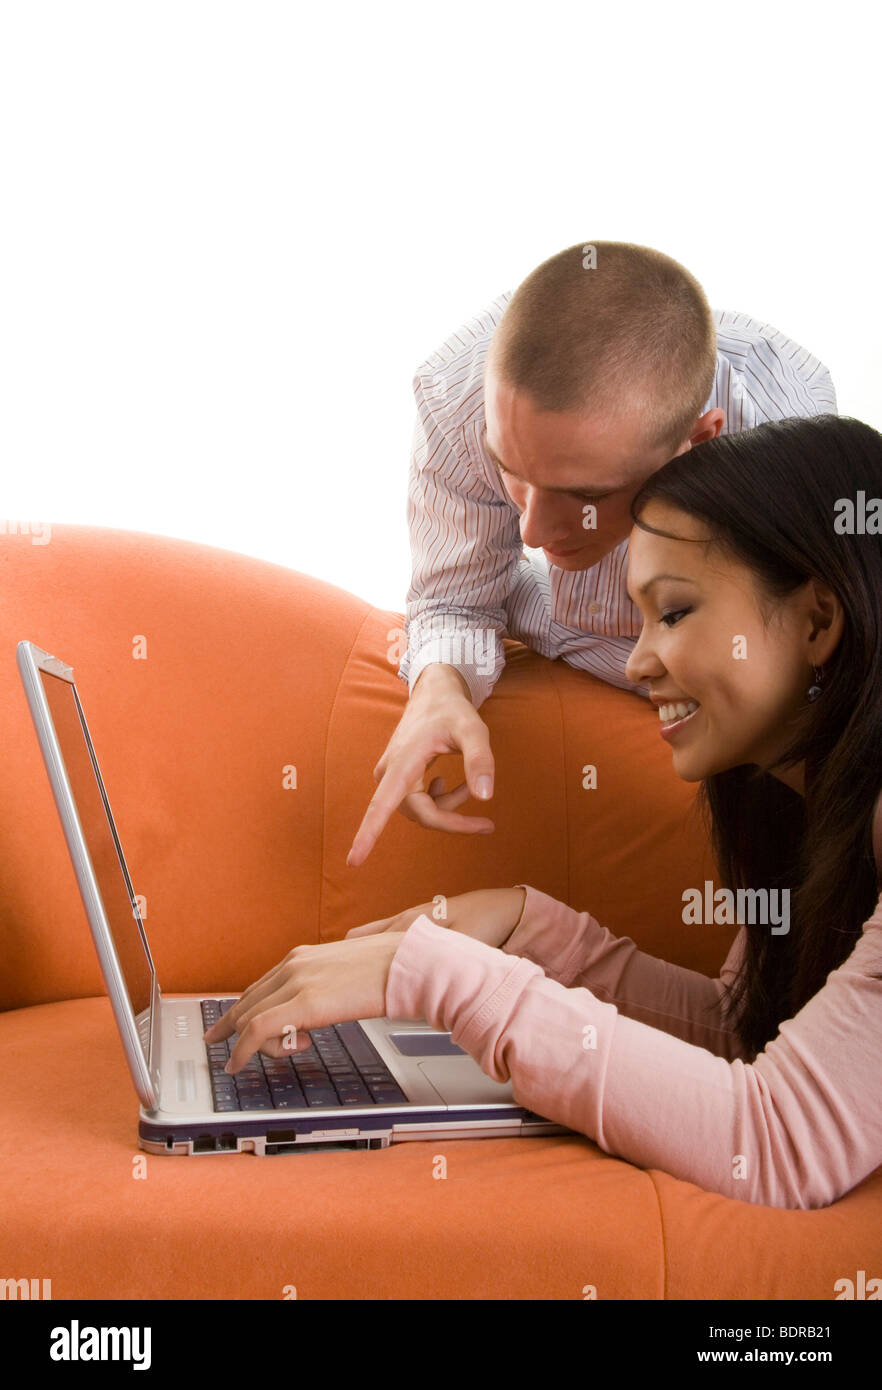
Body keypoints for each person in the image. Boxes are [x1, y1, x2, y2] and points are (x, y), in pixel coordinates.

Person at [206, 413, 882, 1210]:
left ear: (817, 619)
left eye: (674, 613)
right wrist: (525, 929)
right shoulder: (800, 800)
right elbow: (742, 1032)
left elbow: (772, 1142)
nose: (637, 661)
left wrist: (429, 974)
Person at [346, 241, 837, 868]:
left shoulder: (787, 452)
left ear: (702, 442)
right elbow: (452, 599)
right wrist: (439, 686)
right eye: (509, 471)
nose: (531, 530)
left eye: (584, 494)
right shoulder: (463, 397)